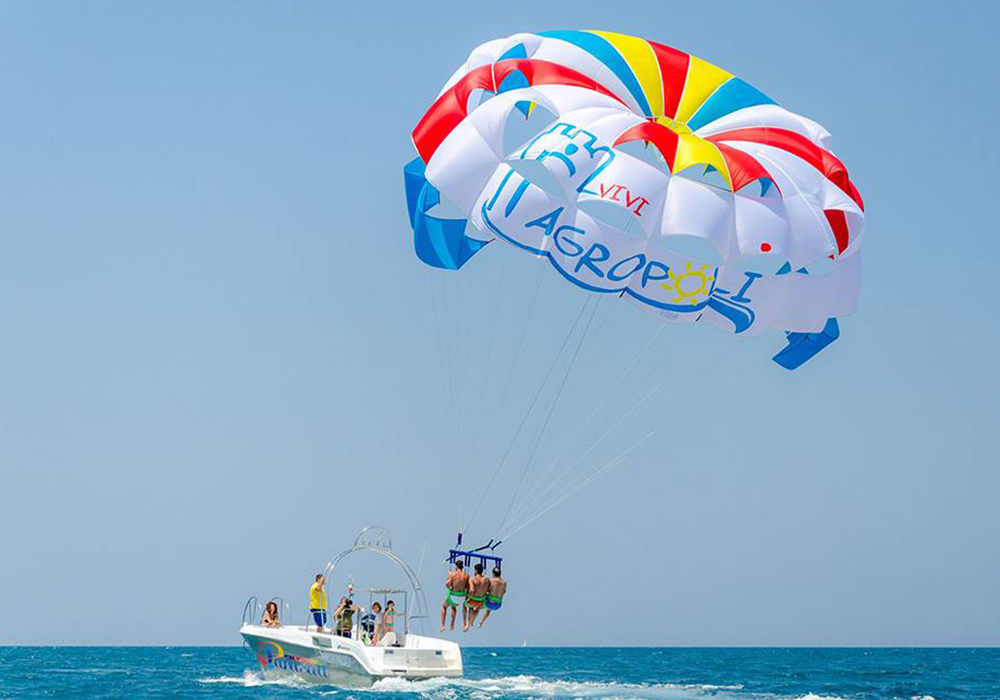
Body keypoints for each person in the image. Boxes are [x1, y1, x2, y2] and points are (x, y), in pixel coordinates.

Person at [440, 560, 469, 631]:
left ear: (456, 566)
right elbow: (467, 587)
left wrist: (449, 578)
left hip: (453, 596)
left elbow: (447, 585)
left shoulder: (452, 574)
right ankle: (453, 625)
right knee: (454, 606)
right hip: (462, 598)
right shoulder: (466, 575)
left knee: (444, 607)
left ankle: (442, 625)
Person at [463, 563, 489, 631]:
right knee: (477, 609)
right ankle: (472, 621)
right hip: (480, 601)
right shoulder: (487, 580)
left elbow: (472, 590)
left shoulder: (472, 579)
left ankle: (468, 624)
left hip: (473, 600)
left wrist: (467, 599)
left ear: (476, 570)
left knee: (470, 607)